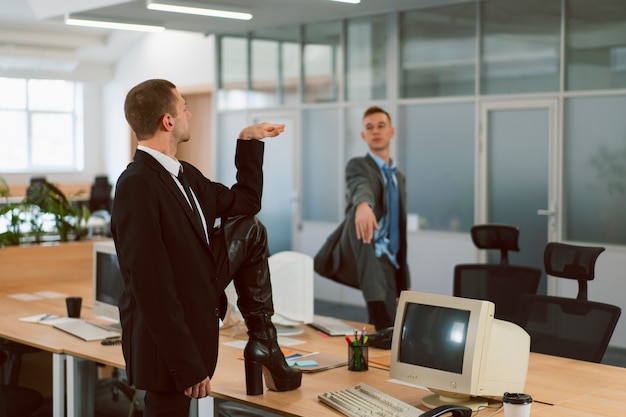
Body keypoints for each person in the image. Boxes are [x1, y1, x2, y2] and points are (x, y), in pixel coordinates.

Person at [110, 79, 301, 417]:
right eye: (184, 108)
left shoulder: (186, 176)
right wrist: (186, 364)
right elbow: (151, 287)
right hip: (166, 352)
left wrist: (248, 140)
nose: (190, 114)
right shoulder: (137, 185)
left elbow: (246, 202)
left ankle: (264, 341)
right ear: (168, 121)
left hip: (194, 319)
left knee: (251, 229)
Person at [314, 106, 410, 330]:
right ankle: (378, 317)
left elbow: (399, 230)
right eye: (369, 127)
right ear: (363, 135)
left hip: (388, 258)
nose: (375, 131)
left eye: (380, 126)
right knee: (361, 224)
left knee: (389, 325)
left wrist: (404, 283)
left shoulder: (399, 178)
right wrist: (363, 206)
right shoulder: (358, 165)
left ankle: (378, 339)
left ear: (391, 131)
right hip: (362, 246)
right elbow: (360, 185)